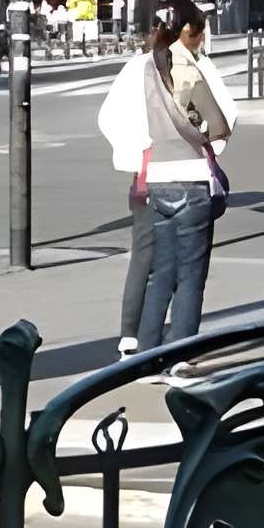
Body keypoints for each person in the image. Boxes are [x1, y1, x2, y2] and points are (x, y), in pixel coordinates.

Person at [138, 0, 234, 353]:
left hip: (157, 177)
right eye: (198, 32)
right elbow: (220, 125)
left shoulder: (147, 67)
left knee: (160, 274)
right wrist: (199, 133)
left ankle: (146, 353)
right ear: (186, 31)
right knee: (191, 277)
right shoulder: (188, 71)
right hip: (191, 178)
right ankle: (179, 355)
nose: (201, 39)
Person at [97, 26, 160, 356]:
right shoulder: (185, 65)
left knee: (144, 255)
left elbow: (107, 117)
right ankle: (162, 337)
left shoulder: (135, 67)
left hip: (143, 174)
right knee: (184, 263)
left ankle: (131, 334)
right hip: (176, 172)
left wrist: (133, 153)